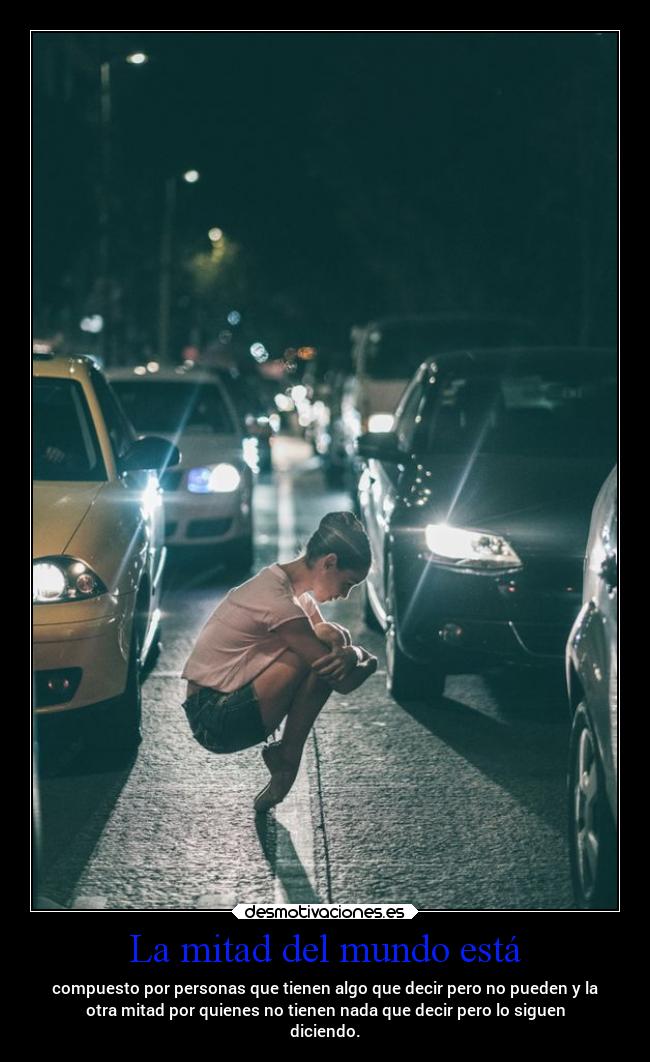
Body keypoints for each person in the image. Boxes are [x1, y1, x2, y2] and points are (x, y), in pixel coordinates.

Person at [181, 511, 378, 813]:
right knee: (315, 658)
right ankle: (288, 757)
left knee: (322, 648)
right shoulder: (278, 601)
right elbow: (342, 680)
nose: (345, 595)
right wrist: (366, 658)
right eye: (348, 583)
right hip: (212, 717)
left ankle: (286, 758)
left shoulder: (297, 597)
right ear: (329, 562)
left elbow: (331, 640)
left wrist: (345, 647)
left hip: (226, 707)